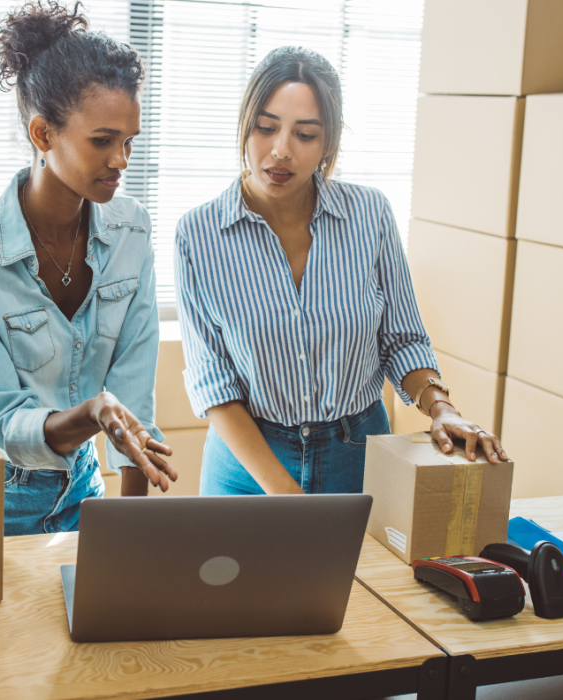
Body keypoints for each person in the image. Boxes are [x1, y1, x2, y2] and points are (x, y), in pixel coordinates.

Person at [175, 46, 508, 497]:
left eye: (305, 135)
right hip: (249, 464)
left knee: (363, 571)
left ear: (329, 142)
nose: (280, 150)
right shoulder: (197, 234)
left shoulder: (370, 214)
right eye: (266, 128)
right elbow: (213, 384)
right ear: (245, 125)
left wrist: (441, 408)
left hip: (357, 452)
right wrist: (286, 494)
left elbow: (402, 338)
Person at [0, 0, 176, 536]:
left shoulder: (132, 231)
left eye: (130, 140)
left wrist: (130, 537)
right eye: (103, 141)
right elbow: (5, 425)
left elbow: (133, 398)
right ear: (43, 134)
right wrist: (91, 415)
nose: (122, 161)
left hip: (81, 486)